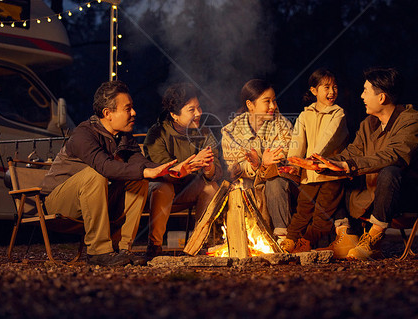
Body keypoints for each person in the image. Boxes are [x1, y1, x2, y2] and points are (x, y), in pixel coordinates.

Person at [41, 80, 196, 267]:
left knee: (139, 179)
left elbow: (141, 164)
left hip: (94, 199)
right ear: (108, 113)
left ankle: (122, 248)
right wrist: (146, 170)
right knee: (97, 174)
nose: (134, 113)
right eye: (127, 108)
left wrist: (171, 170)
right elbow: (105, 167)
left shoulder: (123, 136)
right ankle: (99, 251)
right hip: (58, 202)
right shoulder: (83, 135)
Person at [289, 67, 418, 260]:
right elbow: (351, 153)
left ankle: (374, 239)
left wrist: (348, 166)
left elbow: (393, 155)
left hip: (410, 195)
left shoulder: (411, 120)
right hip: (372, 193)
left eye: (365, 91)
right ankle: (347, 235)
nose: (361, 96)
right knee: (333, 176)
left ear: (381, 98)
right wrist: (322, 164)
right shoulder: (369, 124)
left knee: (390, 171)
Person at [143, 83, 223, 260]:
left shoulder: (203, 133)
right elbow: (161, 170)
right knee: (162, 188)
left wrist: (209, 168)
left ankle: (199, 243)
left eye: (199, 107)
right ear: (174, 115)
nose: (198, 113)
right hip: (162, 188)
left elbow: (217, 170)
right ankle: (154, 246)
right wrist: (191, 164)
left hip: (187, 190)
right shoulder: (158, 133)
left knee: (211, 187)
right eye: (191, 109)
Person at [281, 69, 349, 253]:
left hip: (331, 174)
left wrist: (314, 158)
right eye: (326, 87)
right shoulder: (305, 115)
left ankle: (307, 241)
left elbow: (330, 138)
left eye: (334, 87)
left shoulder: (338, 113)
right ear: (314, 91)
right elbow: (298, 142)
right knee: (303, 209)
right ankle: (290, 239)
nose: (332, 91)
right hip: (309, 174)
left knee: (323, 213)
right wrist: (294, 164)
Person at [221, 79, 295, 238]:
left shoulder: (282, 126)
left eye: (274, 101)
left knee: (275, 181)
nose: (273, 106)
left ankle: (282, 236)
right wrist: (256, 166)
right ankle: (243, 238)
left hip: (278, 184)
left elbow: (282, 159)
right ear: (250, 104)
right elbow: (233, 169)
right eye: (267, 101)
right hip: (248, 184)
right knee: (238, 188)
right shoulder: (231, 132)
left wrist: (261, 165)